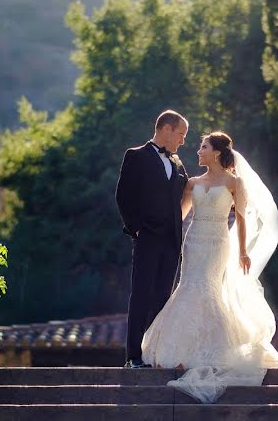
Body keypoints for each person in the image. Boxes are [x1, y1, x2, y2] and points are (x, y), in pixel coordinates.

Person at [141, 131, 278, 403]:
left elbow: (242, 219)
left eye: (203, 146)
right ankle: (177, 352)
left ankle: (212, 350)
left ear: (217, 152)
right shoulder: (192, 182)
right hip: (193, 241)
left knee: (208, 289)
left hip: (219, 243)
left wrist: (243, 251)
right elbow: (180, 214)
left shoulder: (235, 182)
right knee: (188, 287)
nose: (198, 151)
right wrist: (158, 232)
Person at [115, 110, 189, 369]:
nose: (182, 140)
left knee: (163, 299)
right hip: (147, 238)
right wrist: (136, 229)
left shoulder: (178, 163)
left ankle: (155, 355)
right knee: (141, 296)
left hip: (172, 241)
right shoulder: (135, 156)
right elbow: (123, 196)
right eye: (181, 134)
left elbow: (189, 194)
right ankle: (133, 357)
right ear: (166, 129)